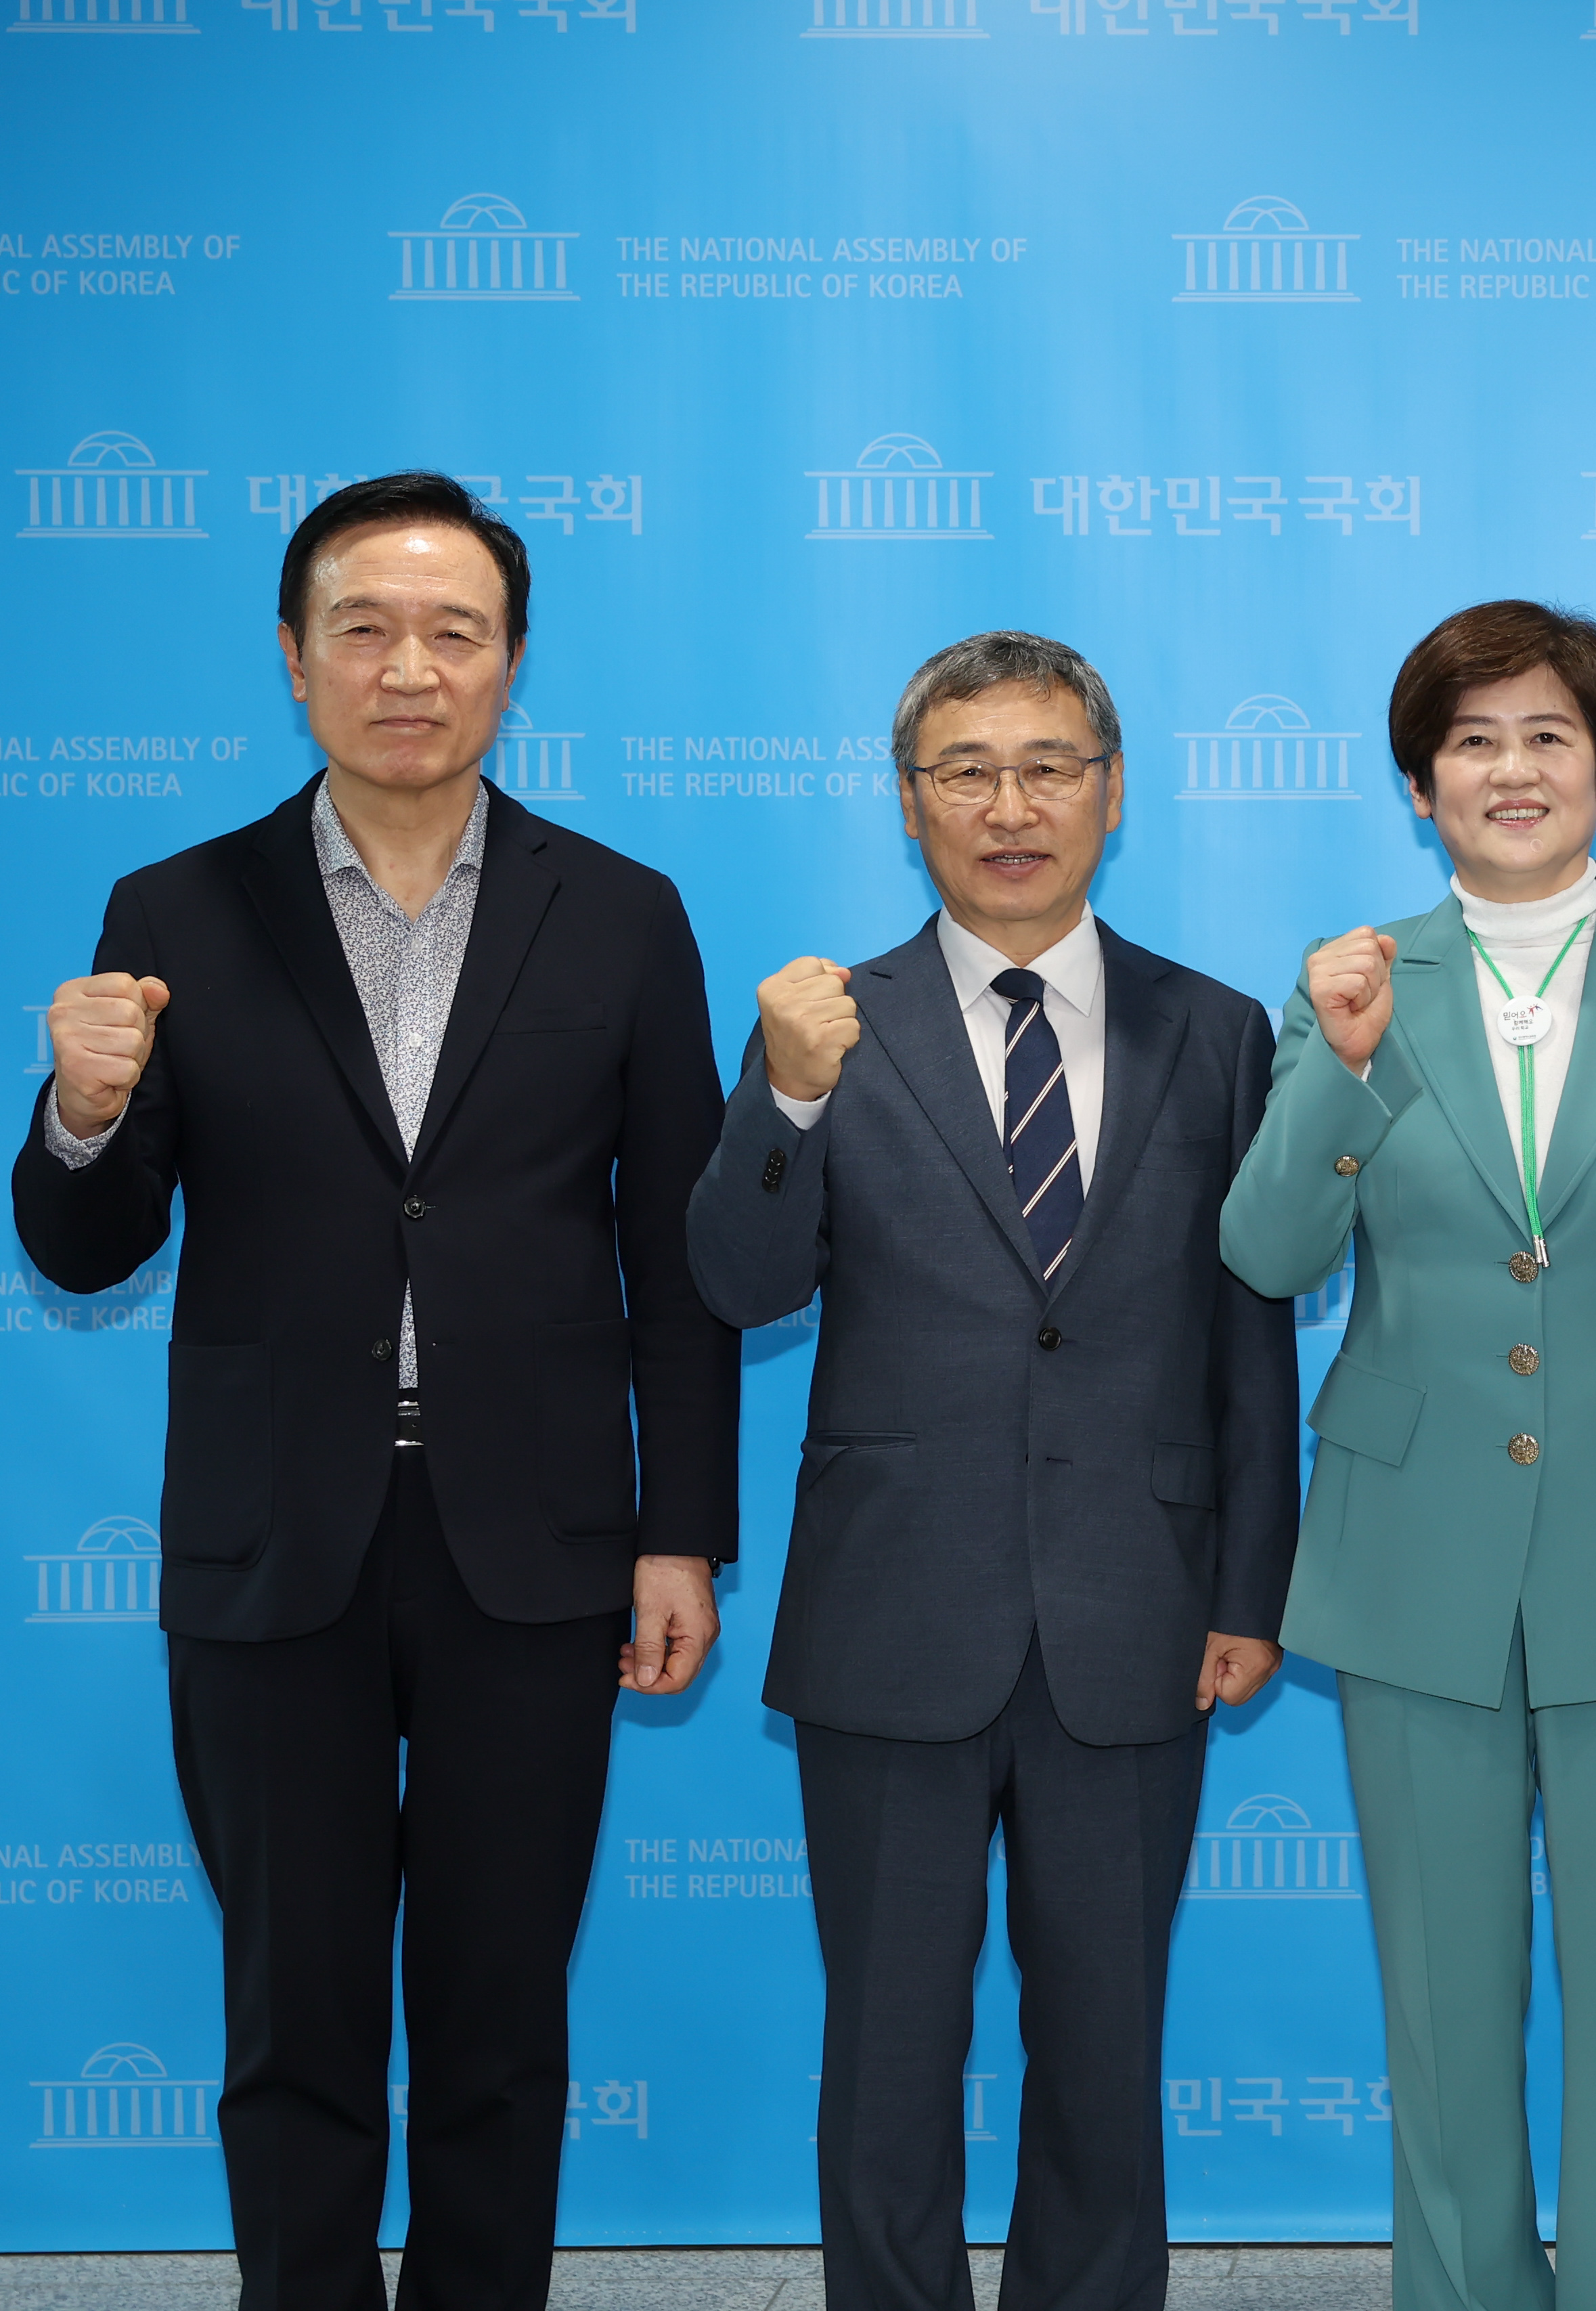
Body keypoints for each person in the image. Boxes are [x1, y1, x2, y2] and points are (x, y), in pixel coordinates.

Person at [9, 470, 738, 2310]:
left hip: (539, 1541)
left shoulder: (627, 913)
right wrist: (81, 1114)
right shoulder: (173, 902)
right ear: (294, 655)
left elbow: (688, 1258)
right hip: (275, 1545)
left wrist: (683, 1537)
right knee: (294, 2013)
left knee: (500, 2021)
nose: (407, 667)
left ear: (507, 668)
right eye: (364, 627)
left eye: (453, 632)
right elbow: (86, 1248)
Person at [681, 630, 1300, 2311]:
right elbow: (737, 1287)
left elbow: (1248, 1337)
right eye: (966, 771)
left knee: (1106, 2041)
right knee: (887, 2044)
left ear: (1110, 793)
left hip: (1140, 1607)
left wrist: (1251, 1587)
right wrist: (786, 1105)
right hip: (897, 1605)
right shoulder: (824, 1021)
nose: (1009, 805)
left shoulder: (1219, 1030)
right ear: (908, 803)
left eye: (1048, 767)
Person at [1218, 598, 1596, 2311]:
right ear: (1420, 785)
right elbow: (1266, 1262)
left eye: (1549, 736)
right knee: (1442, 1998)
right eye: (1472, 741)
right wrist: (1331, 1073)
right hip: (1413, 1553)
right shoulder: (1350, 981)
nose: (1511, 769)